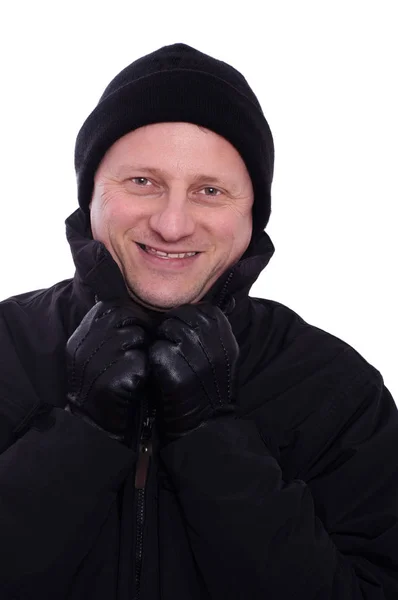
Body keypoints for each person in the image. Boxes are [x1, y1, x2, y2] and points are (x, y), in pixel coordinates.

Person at [0, 42, 396, 600]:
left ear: (251, 214)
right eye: (143, 182)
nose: (172, 223)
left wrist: (214, 442)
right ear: (90, 194)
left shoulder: (337, 389)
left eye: (209, 191)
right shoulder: (6, 348)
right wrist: (78, 438)